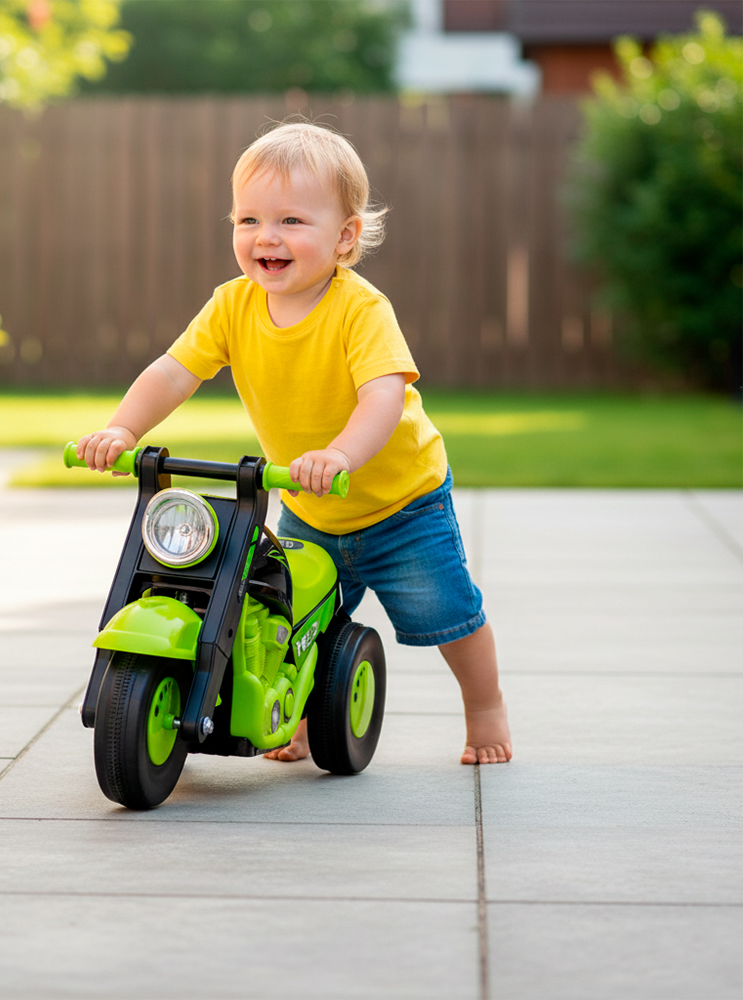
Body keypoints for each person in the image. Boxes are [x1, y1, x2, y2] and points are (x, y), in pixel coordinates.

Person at [78, 121, 512, 765]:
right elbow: (174, 371)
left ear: (345, 237)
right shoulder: (233, 306)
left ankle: (485, 708)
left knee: (447, 610)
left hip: (401, 505)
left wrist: (340, 454)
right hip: (308, 504)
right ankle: (300, 719)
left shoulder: (359, 309)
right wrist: (123, 427)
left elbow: (382, 398)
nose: (266, 237)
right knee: (288, 623)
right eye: (247, 219)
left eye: (290, 221)